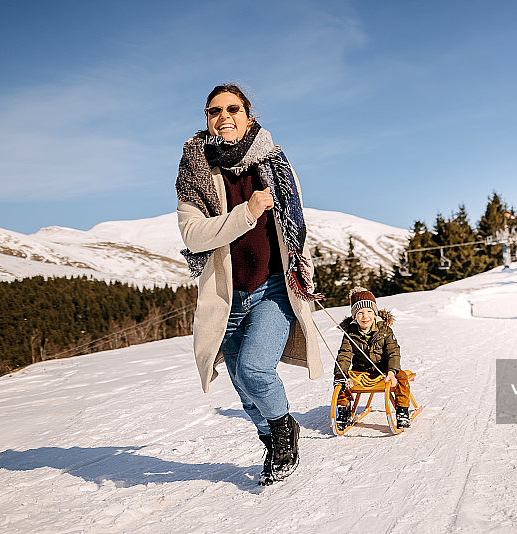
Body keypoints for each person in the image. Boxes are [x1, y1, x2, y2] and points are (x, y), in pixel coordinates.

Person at [175, 83, 323, 485]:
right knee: (242, 385)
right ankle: (271, 437)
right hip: (227, 297)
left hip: (273, 287)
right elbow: (193, 235)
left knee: (257, 370)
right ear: (207, 119)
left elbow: (296, 223)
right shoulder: (195, 172)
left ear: (248, 115)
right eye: (214, 111)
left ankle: (282, 431)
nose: (224, 116)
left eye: (233, 109)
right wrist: (247, 212)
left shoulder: (272, 163)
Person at [334, 287, 412, 430]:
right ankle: (344, 411)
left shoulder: (385, 330)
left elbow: (393, 352)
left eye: (369, 311)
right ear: (354, 317)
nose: (365, 316)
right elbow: (344, 355)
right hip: (361, 372)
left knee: (401, 377)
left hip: (384, 371)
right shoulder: (350, 334)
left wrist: (391, 372)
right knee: (343, 380)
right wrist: (340, 373)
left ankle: (402, 411)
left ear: (375, 313)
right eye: (360, 313)